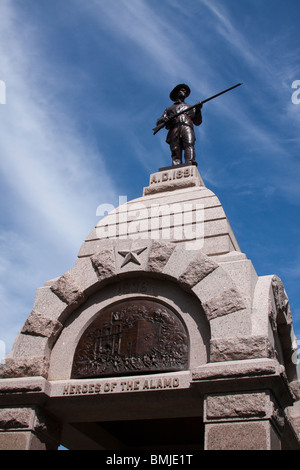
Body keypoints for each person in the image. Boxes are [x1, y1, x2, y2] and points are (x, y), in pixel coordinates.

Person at [156, 84, 202, 166]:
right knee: (175, 149)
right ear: (176, 93)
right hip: (174, 128)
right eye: (181, 90)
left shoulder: (191, 107)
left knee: (189, 144)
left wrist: (198, 110)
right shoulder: (169, 109)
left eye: (185, 91)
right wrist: (164, 119)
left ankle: (190, 162)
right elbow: (159, 122)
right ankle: (176, 165)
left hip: (187, 126)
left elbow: (198, 122)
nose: (184, 91)